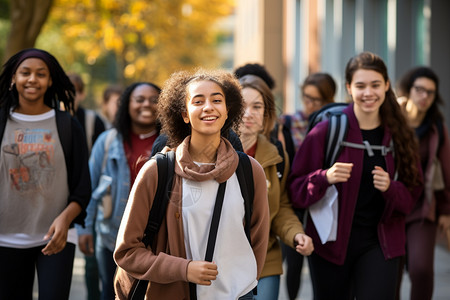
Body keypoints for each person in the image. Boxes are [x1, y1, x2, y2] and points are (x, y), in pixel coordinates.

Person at [114, 69, 270, 299]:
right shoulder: (157, 171)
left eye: (217, 100)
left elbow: (257, 239)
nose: (208, 106)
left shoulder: (249, 170)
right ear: (185, 114)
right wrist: (184, 269)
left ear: (228, 111)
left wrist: (243, 280)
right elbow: (127, 251)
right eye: (198, 101)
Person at [288, 51, 423, 300]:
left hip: (381, 245)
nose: (368, 93)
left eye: (375, 85)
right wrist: (324, 177)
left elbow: (412, 197)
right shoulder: (327, 131)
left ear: (386, 85)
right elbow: (296, 191)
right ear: (349, 88)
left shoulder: (399, 136)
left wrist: (391, 188)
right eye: (360, 86)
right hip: (329, 247)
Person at [0, 48, 91, 299]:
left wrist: (65, 220)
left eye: (41, 74)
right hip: (5, 239)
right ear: (13, 79)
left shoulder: (67, 125)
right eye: (25, 73)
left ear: (50, 81)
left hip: (56, 238)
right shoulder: (1, 122)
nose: (32, 79)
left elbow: (83, 188)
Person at [77, 82, 161, 300]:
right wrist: (85, 229)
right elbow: (91, 187)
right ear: (127, 104)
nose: (147, 105)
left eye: (154, 100)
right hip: (111, 237)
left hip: (158, 241)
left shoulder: (173, 144)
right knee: (112, 293)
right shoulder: (107, 141)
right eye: (139, 100)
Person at [238, 74, 314, 300]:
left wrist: (297, 234)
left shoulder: (277, 155)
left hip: (265, 259)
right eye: (242, 106)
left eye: (257, 106)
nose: (248, 113)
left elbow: (281, 207)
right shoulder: (213, 153)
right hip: (218, 262)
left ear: (266, 114)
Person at [278, 72, 336, 300]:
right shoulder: (290, 123)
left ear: (328, 99)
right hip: (292, 197)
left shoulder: (332, 123)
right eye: (306, 97)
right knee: (292, 259)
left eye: (316, 100)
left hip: (320, 198)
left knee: (318, 260)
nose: (309, 104)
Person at [395, 66, 450, 300]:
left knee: (421, 270)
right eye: (420, 90)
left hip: (422, 208)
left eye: (430, 92)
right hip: (390, 206)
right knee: (390, 274)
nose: (425, 96)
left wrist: (446, 211)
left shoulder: (437, 127)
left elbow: (446, 170)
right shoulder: (391, 120)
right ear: (409, 89)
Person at [68, 73, 106, 152]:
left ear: (82, 95)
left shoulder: (94, 121)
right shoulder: (51, 119)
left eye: (72, 90)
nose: (67, 94)